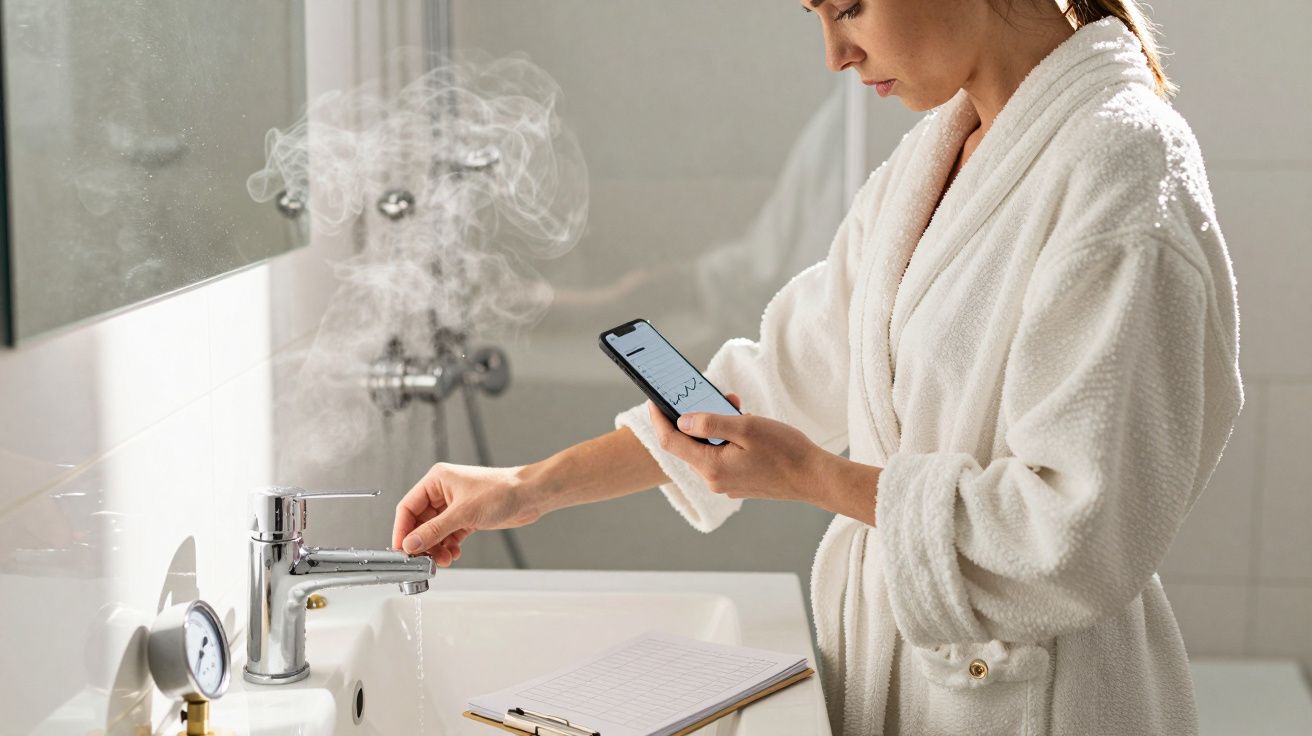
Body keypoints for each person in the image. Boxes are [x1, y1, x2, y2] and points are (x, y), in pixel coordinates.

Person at [392, 1, 1244, 733]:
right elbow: (770, 384)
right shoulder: (933, 157)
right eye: (818, 16)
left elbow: (1072, 540)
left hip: (1036, 704)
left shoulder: (1121, 172)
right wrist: (523, 488)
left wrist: (807, 475)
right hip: (901, 677)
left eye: (849, 9)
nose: (835, 54)